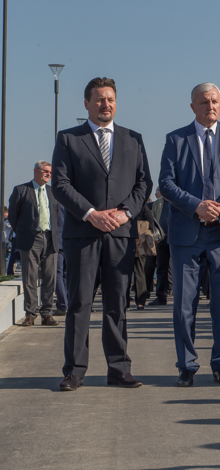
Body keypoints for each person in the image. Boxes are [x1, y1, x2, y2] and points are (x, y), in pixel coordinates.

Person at [52, 77, 152, 392]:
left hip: (121, 235)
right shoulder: (69, 139)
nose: (105, 104)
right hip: (83, 234)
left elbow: (144, 183)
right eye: (99, 99)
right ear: (87, 104)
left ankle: (119, 370)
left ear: (115, 103)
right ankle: (74, 371)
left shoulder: (133, 139)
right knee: (79, 304)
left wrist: (125, 212)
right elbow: (60, 184)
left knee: (117, 304)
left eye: (110, 99)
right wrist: (91, 213)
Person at [159, 82, 220, 387]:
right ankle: (186, 366)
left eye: (215, 102)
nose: (210, 106)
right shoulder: (176, 139)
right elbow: (166, 183)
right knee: (184, 305)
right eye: (204, 102)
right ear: (193, 107)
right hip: (187, 233)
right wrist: (196, 206)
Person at [8, 161, 61, 327]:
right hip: (31, 240)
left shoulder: (53, 192)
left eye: (50, 172)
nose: (48, 174)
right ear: (36, 171)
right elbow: (13, 216)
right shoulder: (21, 190)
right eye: (45, 171)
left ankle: (47, 314)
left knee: (50, 278)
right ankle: (30, 315)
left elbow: (57, 215)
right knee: (30, 278)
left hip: (50, 239)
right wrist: (23, 232)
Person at [131, 201, 157, 309]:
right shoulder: (141, 204)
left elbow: (151, 224)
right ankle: (135, 301)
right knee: (138, 272)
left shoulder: (140, 205)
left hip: (139, 244)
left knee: (139, 272)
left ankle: (140, 300)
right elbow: (150, 223)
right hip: (132, 242)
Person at [150, 188, 171, 305]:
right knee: (161, 268)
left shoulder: (178, 201)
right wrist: (155, 236)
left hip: (177, 239)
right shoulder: (158, 203)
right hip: (161, 238)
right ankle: (161, 296)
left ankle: (178, 294)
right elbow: (153, 219)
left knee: (178, 268)